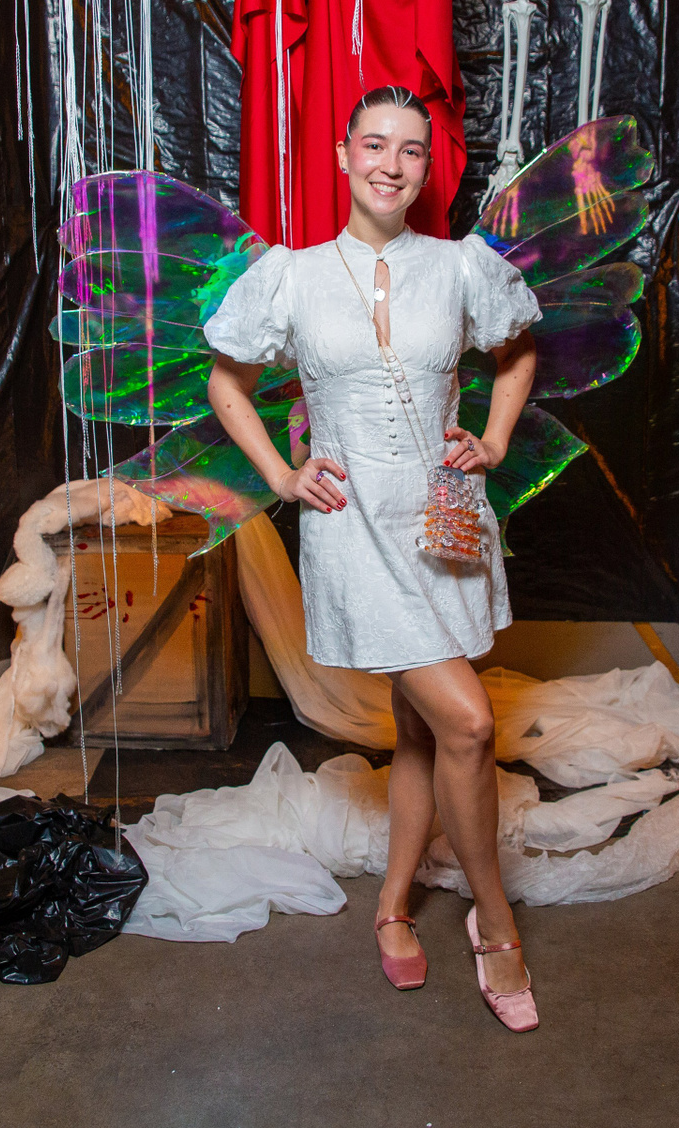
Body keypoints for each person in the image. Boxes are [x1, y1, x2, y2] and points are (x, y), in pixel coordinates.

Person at [203, 86, 543, 1032]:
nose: (392, 165)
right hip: (351, 532)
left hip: (442, 527)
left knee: (424, 730)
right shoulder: (293, 276)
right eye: (375, 145)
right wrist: (282, 473)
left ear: (427, 169)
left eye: (412, 151)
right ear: (343, 155)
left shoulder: (462, 266)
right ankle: (496, 922)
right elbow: (227, 382)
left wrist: (495, 440)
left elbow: (517, 356)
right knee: (469, 722)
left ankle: (394, 906)